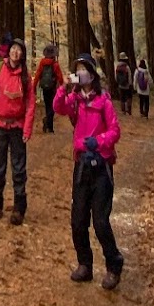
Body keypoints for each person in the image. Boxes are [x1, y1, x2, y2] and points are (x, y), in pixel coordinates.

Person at [54, 52, 123, 290]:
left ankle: (114, 266)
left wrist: (99, 142)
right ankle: (85, 264)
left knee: (101, 221)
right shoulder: (75, 99)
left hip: (101, 167)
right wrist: (63, 88)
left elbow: (115, 131)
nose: (80, 73)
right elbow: (58, 107)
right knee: (78, 218)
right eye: (78, 69)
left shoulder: (104, 101)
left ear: (92, 75)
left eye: (83, 69)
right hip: (82, 165)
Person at [0, 35, 35, 222]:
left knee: (18, 168)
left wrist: (27, 129)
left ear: (22, 54)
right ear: (9, 51)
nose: (15, 52)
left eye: (19, 50)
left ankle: (19, 208)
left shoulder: (26, 77)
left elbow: (30, 104)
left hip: (18, 126)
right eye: (13, 48)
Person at [33, 42, 63, 133]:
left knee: (47, 106)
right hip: (52, 88)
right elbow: (60, 77)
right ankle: (49, 126)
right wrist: (62, 88)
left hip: (44, 88)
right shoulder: (55, 64)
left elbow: (38, 74)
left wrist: (34, 87)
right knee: (53, 107)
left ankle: (48, 125)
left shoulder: (42, 63)